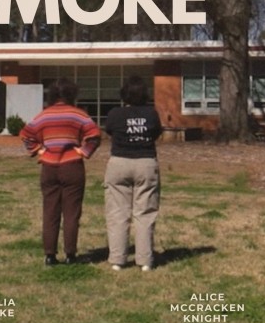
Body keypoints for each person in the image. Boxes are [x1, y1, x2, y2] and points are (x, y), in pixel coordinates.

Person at [20, 78, 101, 266]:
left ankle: (49, 255)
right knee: (72, 213)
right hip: (72, 166)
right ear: (72, 94)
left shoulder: (43, 115)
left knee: (50, 212)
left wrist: (39, 150)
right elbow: (94, 135)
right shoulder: (78, 114)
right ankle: (70, 254)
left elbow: (26, 134)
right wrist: (83, 151)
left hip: (49, 167)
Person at [104, 75, 162, 272]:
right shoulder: (151, 114)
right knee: (145, 212)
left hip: (119, 163)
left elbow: (109, 131)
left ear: (124, 95)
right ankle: (144, 260)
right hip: (145, 163)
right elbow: (156, 133)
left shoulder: (115, 113)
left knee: (117, 212)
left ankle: (117, 259)